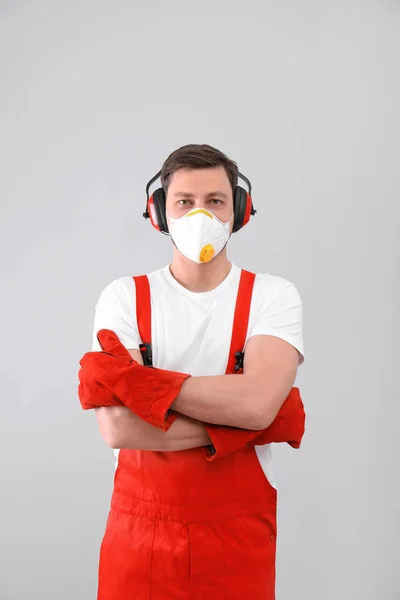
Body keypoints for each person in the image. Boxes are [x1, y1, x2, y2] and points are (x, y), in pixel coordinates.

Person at [78, 143, 306, 600]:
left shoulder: (272, 296)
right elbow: (119, 428)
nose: (199, 215)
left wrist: (140, 385)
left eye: (215, 201)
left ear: (238, 212)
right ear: (160, 213)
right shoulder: (124, 297)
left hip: (236, 536)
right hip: (139, 535)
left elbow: (260, 405)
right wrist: (241, 421)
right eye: (184, 202)